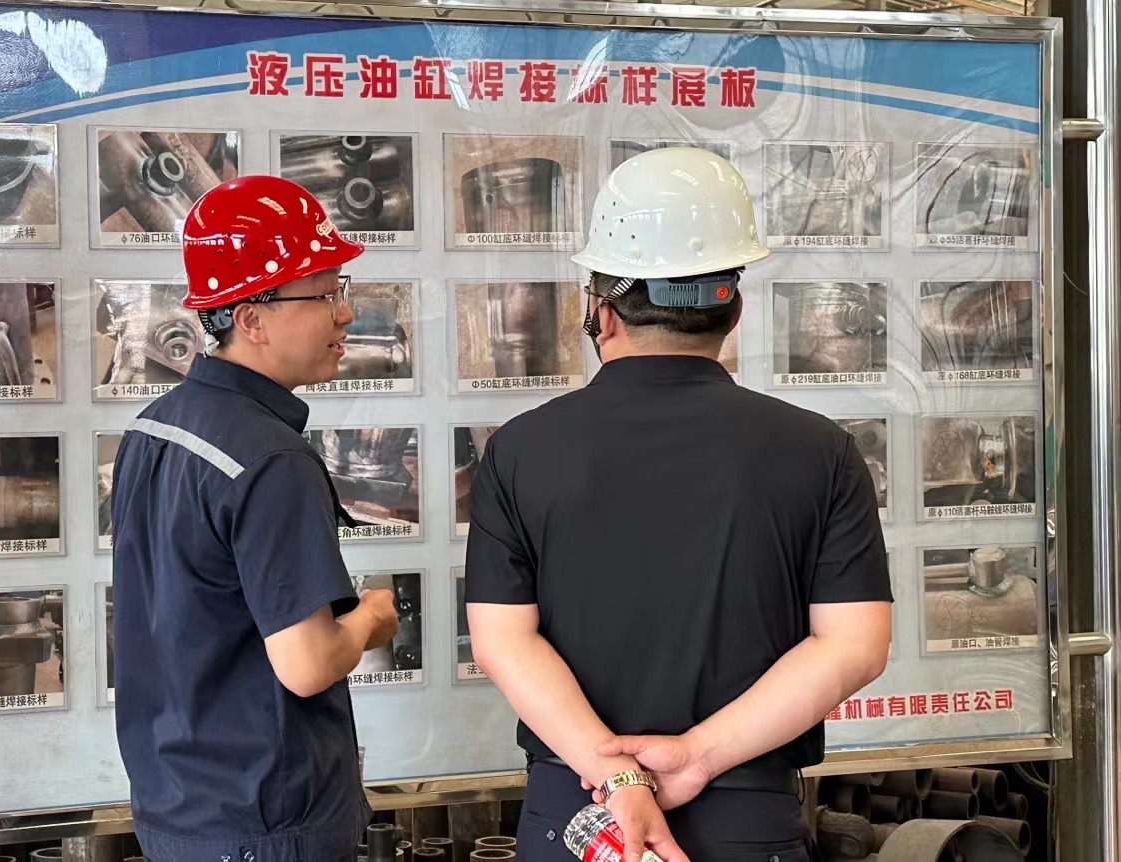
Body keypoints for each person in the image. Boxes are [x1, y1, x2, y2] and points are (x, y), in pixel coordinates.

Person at [464, 147, 892, 862]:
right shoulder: (822, 452)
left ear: (600, 312)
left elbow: (502, 641)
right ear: (734, 309)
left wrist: (618, 775)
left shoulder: (520, 450)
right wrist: (696, 755)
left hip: (577, 818)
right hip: (744, 819)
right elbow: (854, 646)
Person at [110, 175, 399, 862]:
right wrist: (371, 619)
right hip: (264, 823)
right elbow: (308, 664)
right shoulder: (271, 459)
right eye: (323, 294)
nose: (344, 314)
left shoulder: (154, 427)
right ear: (251, 318)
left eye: (340, 290)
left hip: (176, 806)